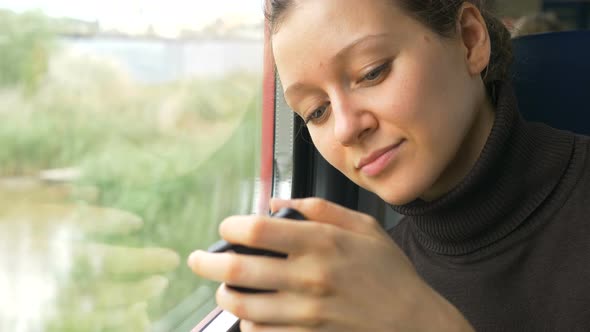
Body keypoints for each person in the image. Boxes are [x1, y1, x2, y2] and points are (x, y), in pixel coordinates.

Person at [187, 0, 590, 331]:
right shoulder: (356, 276)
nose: (345, 129)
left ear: (469, 40)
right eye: (317, 111)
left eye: (371, 73)